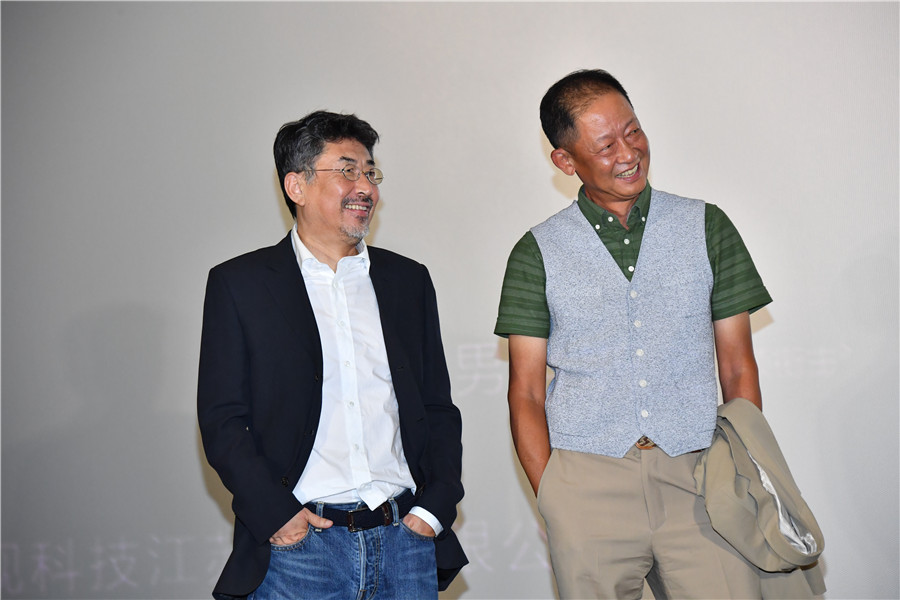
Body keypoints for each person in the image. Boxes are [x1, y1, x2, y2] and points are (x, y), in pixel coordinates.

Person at [495, 69, 773, 598]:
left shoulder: (707, 225)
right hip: (586, 484)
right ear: (565, 161)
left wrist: (743, 468)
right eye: (605, 145)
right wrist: (554, 495)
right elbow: (525, 391)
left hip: (700, 476)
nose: (629, 153)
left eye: (634, 131)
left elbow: (738, 366)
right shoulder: (535, 252)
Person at [198, 111, 466, 600]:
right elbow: (223, 420)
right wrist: (276, 516)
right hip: (300, 550)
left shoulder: (407, 281)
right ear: (296, 186)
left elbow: (437, 407)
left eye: (370, 172)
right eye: (347, 171)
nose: (365, 187)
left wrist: (434, 509)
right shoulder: (241, 285)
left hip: (405, 541)